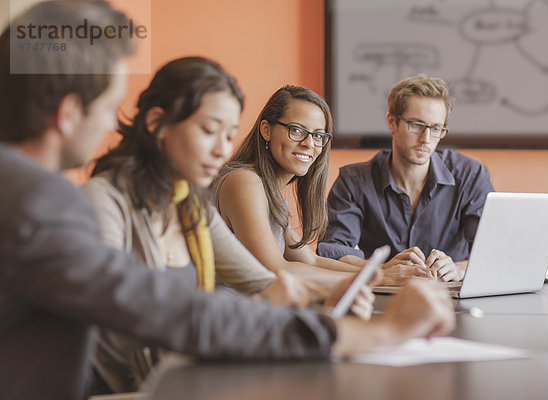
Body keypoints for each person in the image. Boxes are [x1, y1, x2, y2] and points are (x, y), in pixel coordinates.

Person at [0, 3, 455, 400]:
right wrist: (376, 332)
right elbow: (162, 311)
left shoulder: (183, 204)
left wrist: (329, 292)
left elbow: (266, 281)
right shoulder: (45, 202)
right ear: (68, 113)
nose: (112, 122)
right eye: (108, 105)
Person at [82, 56, 374, 393]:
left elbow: (265, 282)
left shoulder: (191, 206)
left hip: (180, 375)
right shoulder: (103, 199)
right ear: (156, 123)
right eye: (209, 131)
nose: (222, 150)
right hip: (123, 388)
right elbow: (119, 305)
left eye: (229, 135)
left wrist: (327, 295)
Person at [212, 85, 428, 291]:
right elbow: (277, 270)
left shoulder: (271, 193)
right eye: (297, 130)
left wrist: (382, 269)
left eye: (318, 136)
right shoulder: (243, 182)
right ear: (266, 130)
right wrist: (378, 279)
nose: (309, 144)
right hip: (226, 319)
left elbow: (310, 259)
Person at [317, 74, 495, 282]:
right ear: (392, 122)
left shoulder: (471, 176)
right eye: (416, 125)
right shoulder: (353, 181)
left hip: (450, 296)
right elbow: (333, 250)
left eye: (436, 128)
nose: (425, 139)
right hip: (383, 296)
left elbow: (491, 252)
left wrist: (460, 268)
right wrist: (383, 269)